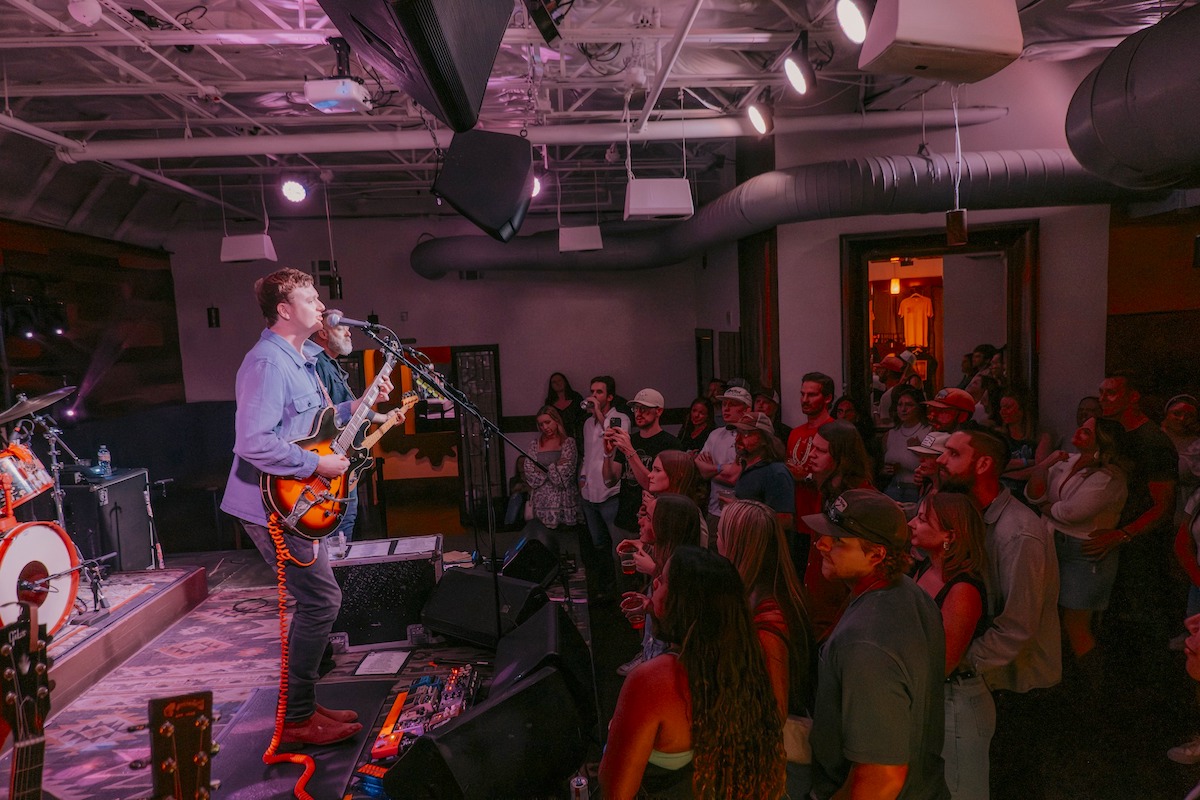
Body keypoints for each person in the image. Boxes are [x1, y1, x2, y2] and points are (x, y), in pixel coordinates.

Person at [221, 267, 391, 746]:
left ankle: (303, 705)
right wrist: (314, 469)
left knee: (318, 601)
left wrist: (359, 405)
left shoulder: (299, 358)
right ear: (284, 309)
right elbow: (254, 442)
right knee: (322, 600)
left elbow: (310, 424)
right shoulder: (267, 364)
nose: (322, 306)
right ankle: (297, 719)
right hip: (275, 504)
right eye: (311, 298)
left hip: (292, 498)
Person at [600, 546, 786, 800]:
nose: (654, 582)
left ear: (683, 602)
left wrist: (615, 734)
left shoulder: (651, 681)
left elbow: (615, 793)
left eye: (663, 580)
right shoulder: (746, 663)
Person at [936, 427, 1059, 800]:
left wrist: (958, 663)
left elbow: (1017, 626)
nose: (941, 460)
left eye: (953, 454)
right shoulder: (974, 514)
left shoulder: (1018, 533)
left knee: (1010, 783)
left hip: (1016, 685)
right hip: (991, 680)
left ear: (984, 464)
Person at [804, 489, 949, 800]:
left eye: (839, 540)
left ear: (877, 554)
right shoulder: (909, 592)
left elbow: (881, 779)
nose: (821, 544)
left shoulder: (865, 642)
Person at [717, 499, 816, 796]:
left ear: (737, 546)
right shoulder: (772, 594)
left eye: (721, 535)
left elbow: (773, 715)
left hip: (776, 772)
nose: (715, 543)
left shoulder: (768, 624)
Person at [908, 492, 993, 800]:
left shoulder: (963, 590)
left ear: (950, 535)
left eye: (921, 519)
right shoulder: (923, 569)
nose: (911, 524)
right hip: (933, 699)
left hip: (956, 705)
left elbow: (942, 663)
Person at [1025, 416, 1127, 670]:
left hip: (1084, 551)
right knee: (1051, 615)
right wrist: (1045, 465)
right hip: (1053, 541)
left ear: (1102, 442)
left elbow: (1071, 513)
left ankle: (1091, 689)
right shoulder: (1065, 460)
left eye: (1087, 431)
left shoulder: (1109, 477)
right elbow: (1032, 491)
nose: (1079, 430)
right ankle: (1060, 677)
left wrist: (1043, 505)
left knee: (1076, 622)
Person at [312, 312, 404, 543]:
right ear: (323, 333)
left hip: (341, 459)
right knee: (339, 525)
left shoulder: (331, 365)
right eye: (341, 327)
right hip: (327, 462)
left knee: (346, 521)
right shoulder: (317, 365)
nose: (349, 331)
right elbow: (327, 416)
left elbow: (351, 409)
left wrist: (383, 417)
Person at [800, 420, 876, 640]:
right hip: (819, 608)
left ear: (843, 458)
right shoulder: (826, 490)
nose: (811, 454)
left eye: (821, 450)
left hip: (840, 621)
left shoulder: (862, 500)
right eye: (813, 447)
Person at [616, 493, 703, 676]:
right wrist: (649, 607)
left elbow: (677, 630)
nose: (640, 522)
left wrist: (654, 571)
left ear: (666, 527)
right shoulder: (669, 558)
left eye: (647, 517)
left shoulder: (683, 575)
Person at [604, 388, 681, 543]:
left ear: (658, 411)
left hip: (652, 520)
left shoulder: (670, 443)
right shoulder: (629, 439)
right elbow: (609, 480)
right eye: (636, 408)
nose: (638, 413)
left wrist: (630, 452)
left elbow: (653, 485)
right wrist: (607, 454)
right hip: (623, 519)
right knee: (621, 564)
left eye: (644, 409)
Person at [579, 375, 631, 600]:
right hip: (589, 492)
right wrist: (582, 477)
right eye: (592, 391)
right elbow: (589, 455)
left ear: (609, 396)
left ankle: (623, 591)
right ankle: (605, 588)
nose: (594, 395)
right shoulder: (587, 423)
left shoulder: (620, 418)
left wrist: (599, 412)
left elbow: (614, 437)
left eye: (599, 392)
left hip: (610, 492)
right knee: (598, 544)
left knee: (616, 546)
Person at [695, 386, 752, 534]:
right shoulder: (715, 435)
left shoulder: (750, 437)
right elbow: (700, 469)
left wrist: (711, 469)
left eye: (732, 405)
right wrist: (721, 468)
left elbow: (734, 477)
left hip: (741, 512)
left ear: (746, 410)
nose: (726, 409)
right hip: (714, 511)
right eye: (724, 404)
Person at [521, 405, 580, 544]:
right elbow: (529, 473)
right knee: (543, 541)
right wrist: (555, 465)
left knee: (567, 542)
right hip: (541, 503)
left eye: (548, 422)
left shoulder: (568, 443)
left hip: (563, 501)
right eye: (541, 424)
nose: (544, 427)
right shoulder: (534, 444)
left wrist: (542, 469)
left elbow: (564, 477)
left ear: (556, 421)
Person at [729, 411, 794, 529]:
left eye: (746, 433)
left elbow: (784, 521)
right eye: (737, 432)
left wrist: (738, 511)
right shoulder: (747, 466)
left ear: (765, 439)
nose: (738, 439)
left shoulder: (776, 472)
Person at [995, 389, 1053, 498]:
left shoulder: (1041, 437)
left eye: (1008, 407)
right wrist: (1028, 462)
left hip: (1027, 493)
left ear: (1022, 411)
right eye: (1001, 407)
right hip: (1000, 492)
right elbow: (996, 465)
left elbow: (1040, 470)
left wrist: (1008, 473)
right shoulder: (997, 436)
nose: (1002, 411)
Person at [880, 385, 932, 503]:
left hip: (915, 490)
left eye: (909, 405)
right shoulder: (890, 434)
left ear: (919, 407)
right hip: (894, 487)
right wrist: (885, 471)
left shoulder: (928, 432)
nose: (903, 409)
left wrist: (919, 450)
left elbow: (933, 466)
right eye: (900, 405)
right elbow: (882, 465)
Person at [543, 371, 586, 439]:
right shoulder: (549, 402)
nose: (557, 383)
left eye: (560, 380)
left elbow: (583, 416)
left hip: (578, 435)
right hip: (558, 437)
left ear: (565, 382)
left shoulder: (576, 397)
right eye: (554, 382)